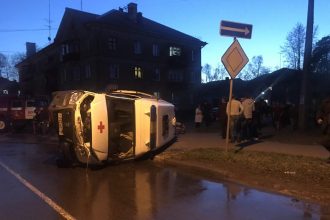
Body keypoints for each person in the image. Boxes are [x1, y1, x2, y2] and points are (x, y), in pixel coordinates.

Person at [316, 97, 330, 163]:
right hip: (327, 125)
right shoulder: (325, 101)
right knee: (324, 142)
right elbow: (320, 110)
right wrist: (319, 118)